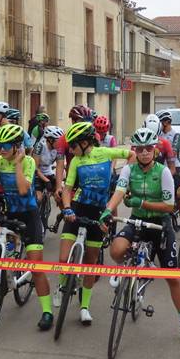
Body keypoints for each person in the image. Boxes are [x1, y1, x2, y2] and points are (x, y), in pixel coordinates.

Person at [102, 127, 180, 344]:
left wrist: (141, 202)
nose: (144, 153)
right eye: (140, 149)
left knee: (172, 277)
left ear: (155, 150)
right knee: (116, 249)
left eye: (148, 148)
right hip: (137, 222)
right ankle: (124, 269)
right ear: (134, 150)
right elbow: (119, 192)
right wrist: (108, 209)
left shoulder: (163, 172)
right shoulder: (129, 170)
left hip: (160, 224)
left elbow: (169, 206)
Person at [57, 121, 132, 325]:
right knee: (64, 258)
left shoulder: (106, 152)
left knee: (90, 263)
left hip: (99, 212)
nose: (71, 150)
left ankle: (84, 307)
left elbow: (132, 155)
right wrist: (67, 208)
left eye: (73, 146)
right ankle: (63, 285)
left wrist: (126, 178)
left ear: (84, 142)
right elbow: (68, 187)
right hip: (78, 208)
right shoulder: (75, 161)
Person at [0, 124, 53, 329]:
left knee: (37, 267)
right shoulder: (0, 161)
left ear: (16, 146)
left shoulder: (29, 161)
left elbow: (23, 190)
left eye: (5, 145)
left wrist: (19, 164)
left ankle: (47, 311)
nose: (1, 148)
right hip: (10, 214)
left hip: (29, 217)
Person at [32, 125, 63, 215]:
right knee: (39, 198)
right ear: (50, 139)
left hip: (49, 172)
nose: (60, 143)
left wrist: (58, 188)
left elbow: (59, 167)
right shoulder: (39, 146)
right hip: (37, 173)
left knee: (61, 196)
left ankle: (67, 217)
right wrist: (46, 180)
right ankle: (34, 218)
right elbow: (35, 167)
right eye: (58, 141)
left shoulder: (59, 149)